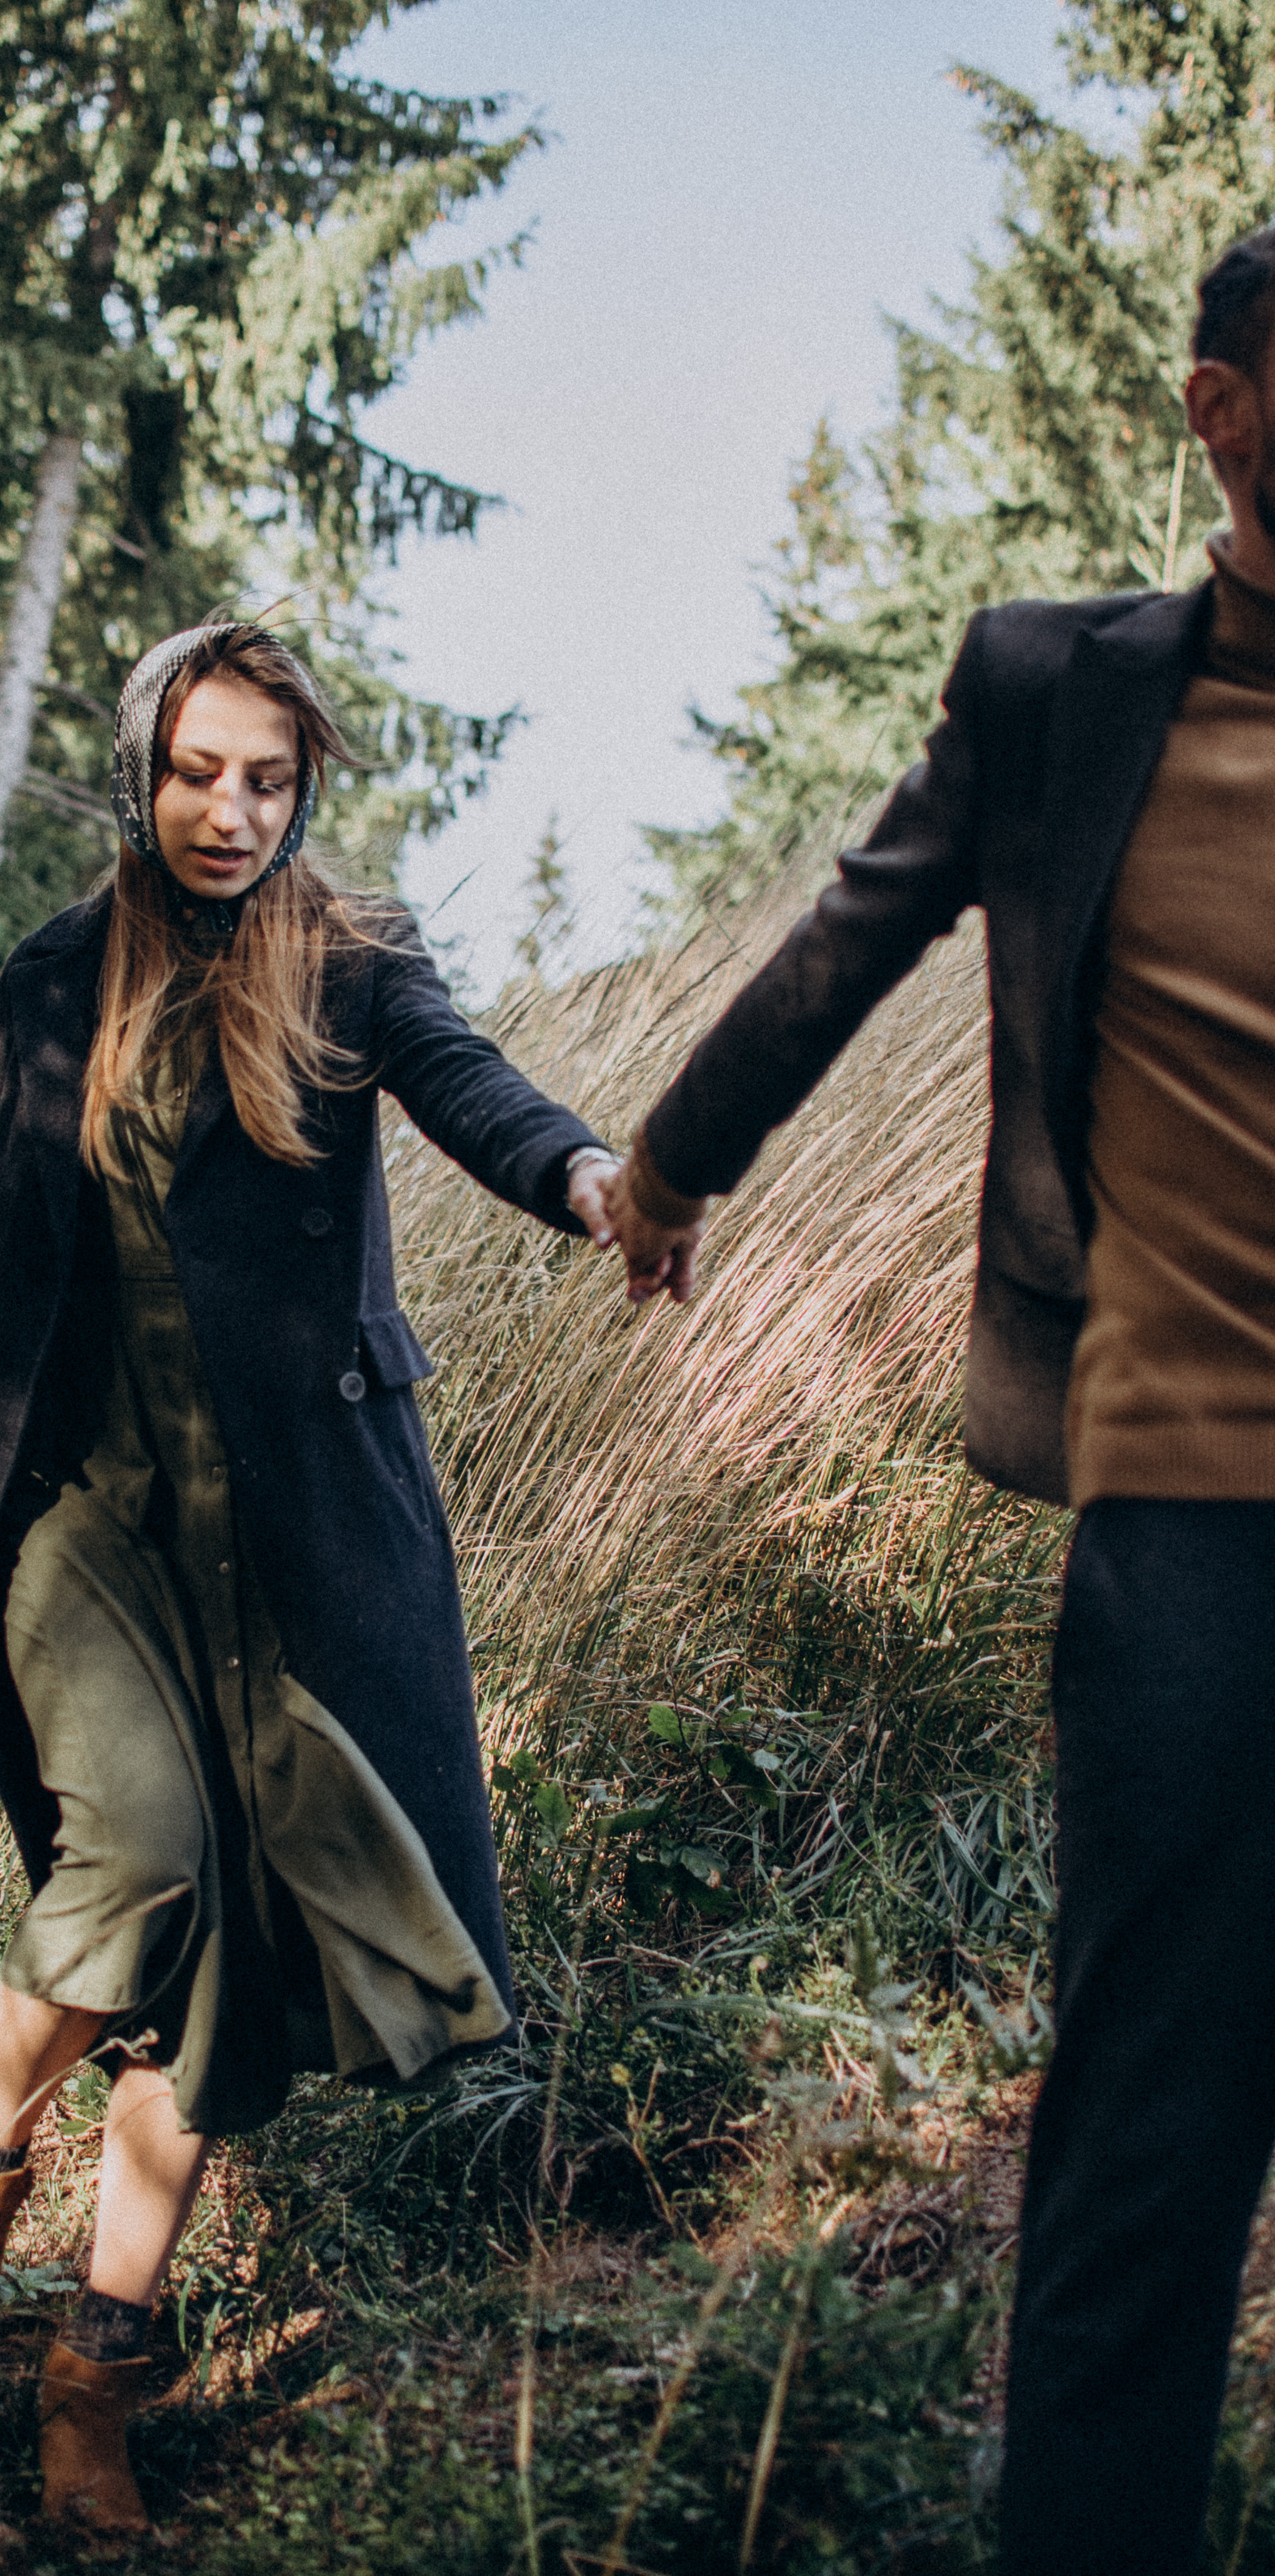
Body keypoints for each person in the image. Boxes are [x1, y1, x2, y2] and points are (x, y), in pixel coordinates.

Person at [601, 224, 1275, 2575]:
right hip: (1191, 1521)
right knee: (1153, 2126)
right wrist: (668, 1163)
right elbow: (844, 935)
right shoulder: (1066, 690)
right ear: (1223, 411)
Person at [0, 620, 618, 2536]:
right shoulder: (63, 970)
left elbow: (478, 1093)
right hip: (88, 1518)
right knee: (139, 1859)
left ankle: (90, 2379)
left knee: (231, 1975)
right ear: (148, 770)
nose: (230, 809)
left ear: (305, 789)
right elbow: (10, 1279)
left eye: (267, 779)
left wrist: (594, 1176)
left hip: (294, 1529)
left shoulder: (353, 960)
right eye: (200, 770)